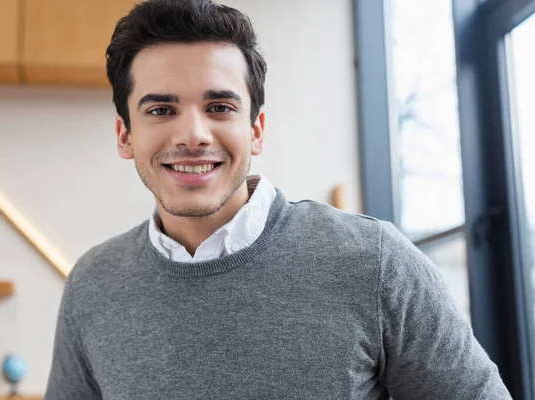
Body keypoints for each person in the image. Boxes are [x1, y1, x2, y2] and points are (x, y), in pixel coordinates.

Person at [44, 0, 512, 398]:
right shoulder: (91, 285)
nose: (193, 135)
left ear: (256, 130)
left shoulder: (375, 263)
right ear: (125, 135)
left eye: (219, 107)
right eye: (162, 110)